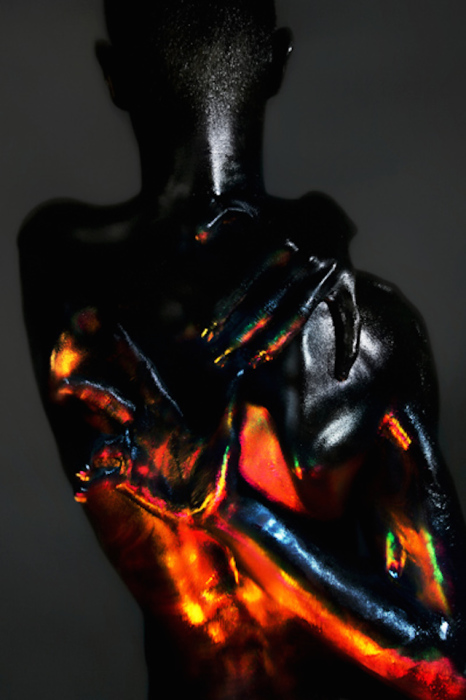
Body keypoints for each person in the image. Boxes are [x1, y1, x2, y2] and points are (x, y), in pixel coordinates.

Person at [18, 1, 466, 698]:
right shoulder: (369, 331)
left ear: (113, 76)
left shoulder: (66, 281)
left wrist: (224, 504)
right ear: (278, 62)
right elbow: (444, 664)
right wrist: (314, 220)